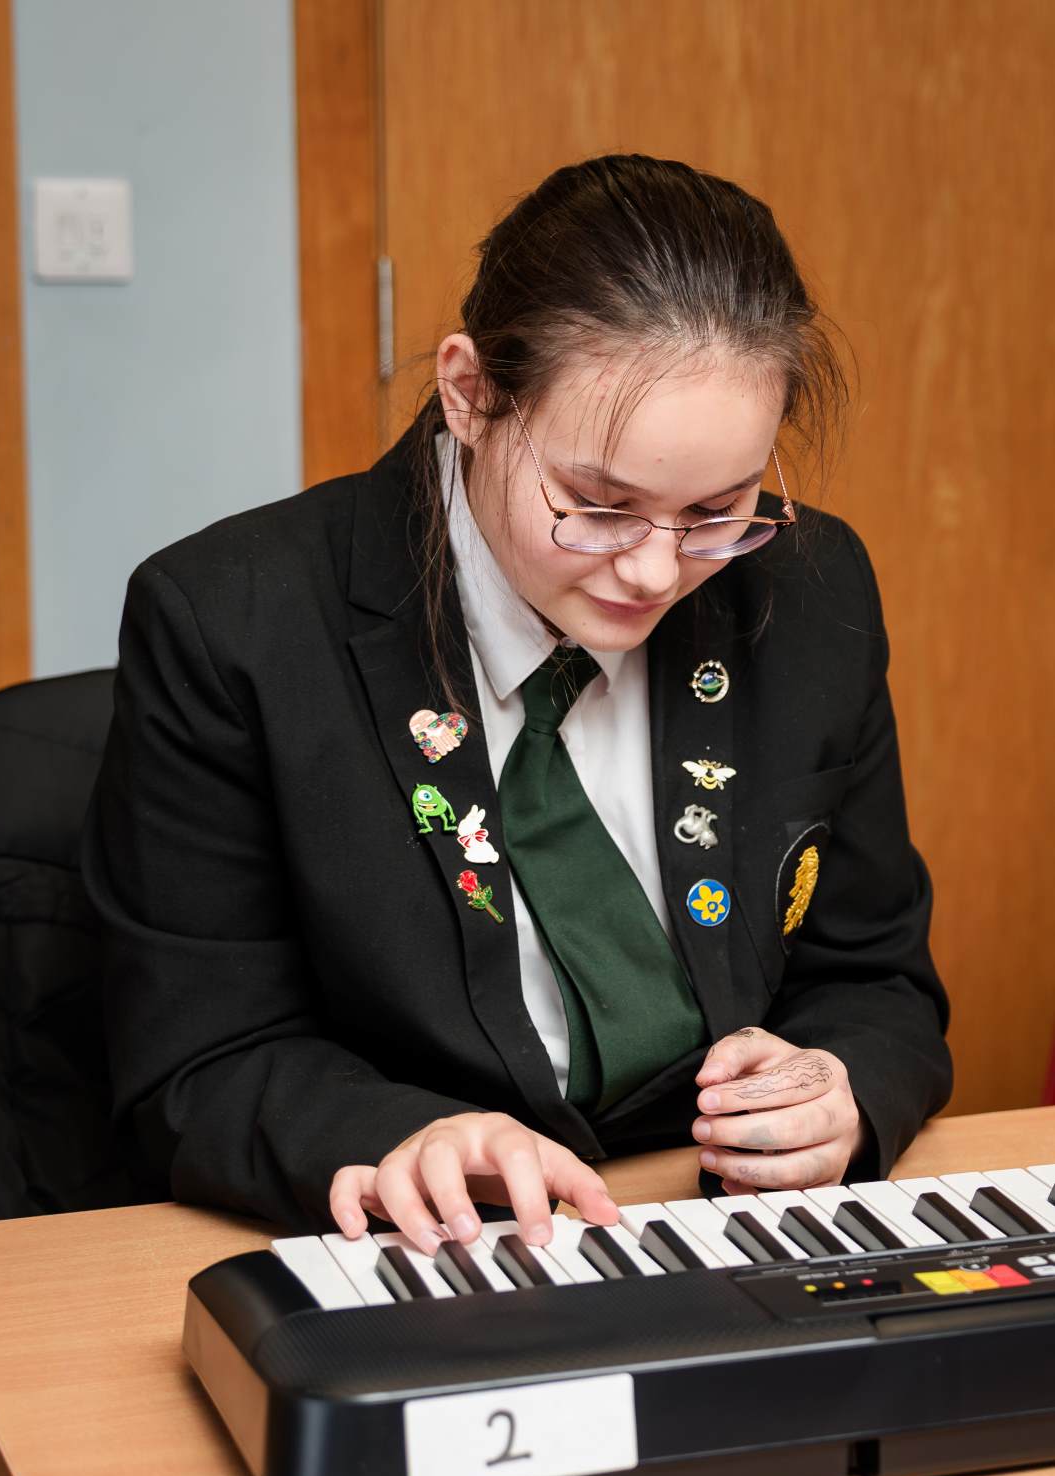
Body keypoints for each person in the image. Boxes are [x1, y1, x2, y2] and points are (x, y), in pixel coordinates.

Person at [80, 153, 951, 1253]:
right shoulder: (234, 624)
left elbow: (873, 976)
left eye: (714, 510)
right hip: (436, 1250)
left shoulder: (806, 590)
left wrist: (839, 1090)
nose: (654, 571)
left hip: (714, 1226)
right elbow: (197, 1060)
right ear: (470, 392)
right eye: (597, 505)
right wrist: (407, 1137)